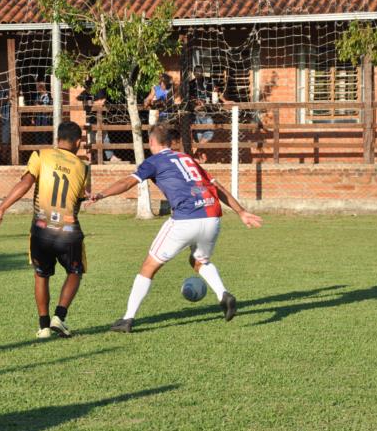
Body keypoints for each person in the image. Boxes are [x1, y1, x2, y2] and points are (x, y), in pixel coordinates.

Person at [87, 124, 263, 333]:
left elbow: (127, 182)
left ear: (151, 142)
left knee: (149, 266)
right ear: (170, 142)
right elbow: (217, 187)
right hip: (212, 216)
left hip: (185, 219)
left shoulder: (153, 161)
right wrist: (241, 212)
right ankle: (223, 294)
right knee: (199, 260)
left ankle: (127, 319)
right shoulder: (188, 159)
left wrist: (101, 194)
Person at [0, 121, 90, 339]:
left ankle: (44, 327)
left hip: (40, 229)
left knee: (41, 275)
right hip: (68, 230)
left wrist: (1, 208)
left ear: (57, 139)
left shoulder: (39, 155)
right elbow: (80, 200)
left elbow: (25, 184)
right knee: (75, 271)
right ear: (78, 142)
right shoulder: (84, 167)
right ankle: (59, 317)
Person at [77, 77, 122, 163]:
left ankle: (111, 157)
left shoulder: (99, 90)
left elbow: (102, 101)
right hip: (90, 119)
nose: (87, 88)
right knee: (91, 139)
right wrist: (88, 102)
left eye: (88, 86)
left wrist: (93, 103)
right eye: (86, 87)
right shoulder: (85, 94)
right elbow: (79, 100)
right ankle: (94, 158)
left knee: (105, 138)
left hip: (100, 118)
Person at [188, 66, 217, 163]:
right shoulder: (191, 84)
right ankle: (201, 161)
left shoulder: (209, 81)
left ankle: (196, 151)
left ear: (203, 72)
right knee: (199, 136)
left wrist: (222, 99)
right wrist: (195, 103)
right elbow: (189, 98)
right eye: (196, 72)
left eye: (200, 72)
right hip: (196, 113)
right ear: (194, 73)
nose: (198, 74)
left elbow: (216, 92)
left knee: (209, 132)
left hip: (207, 112)